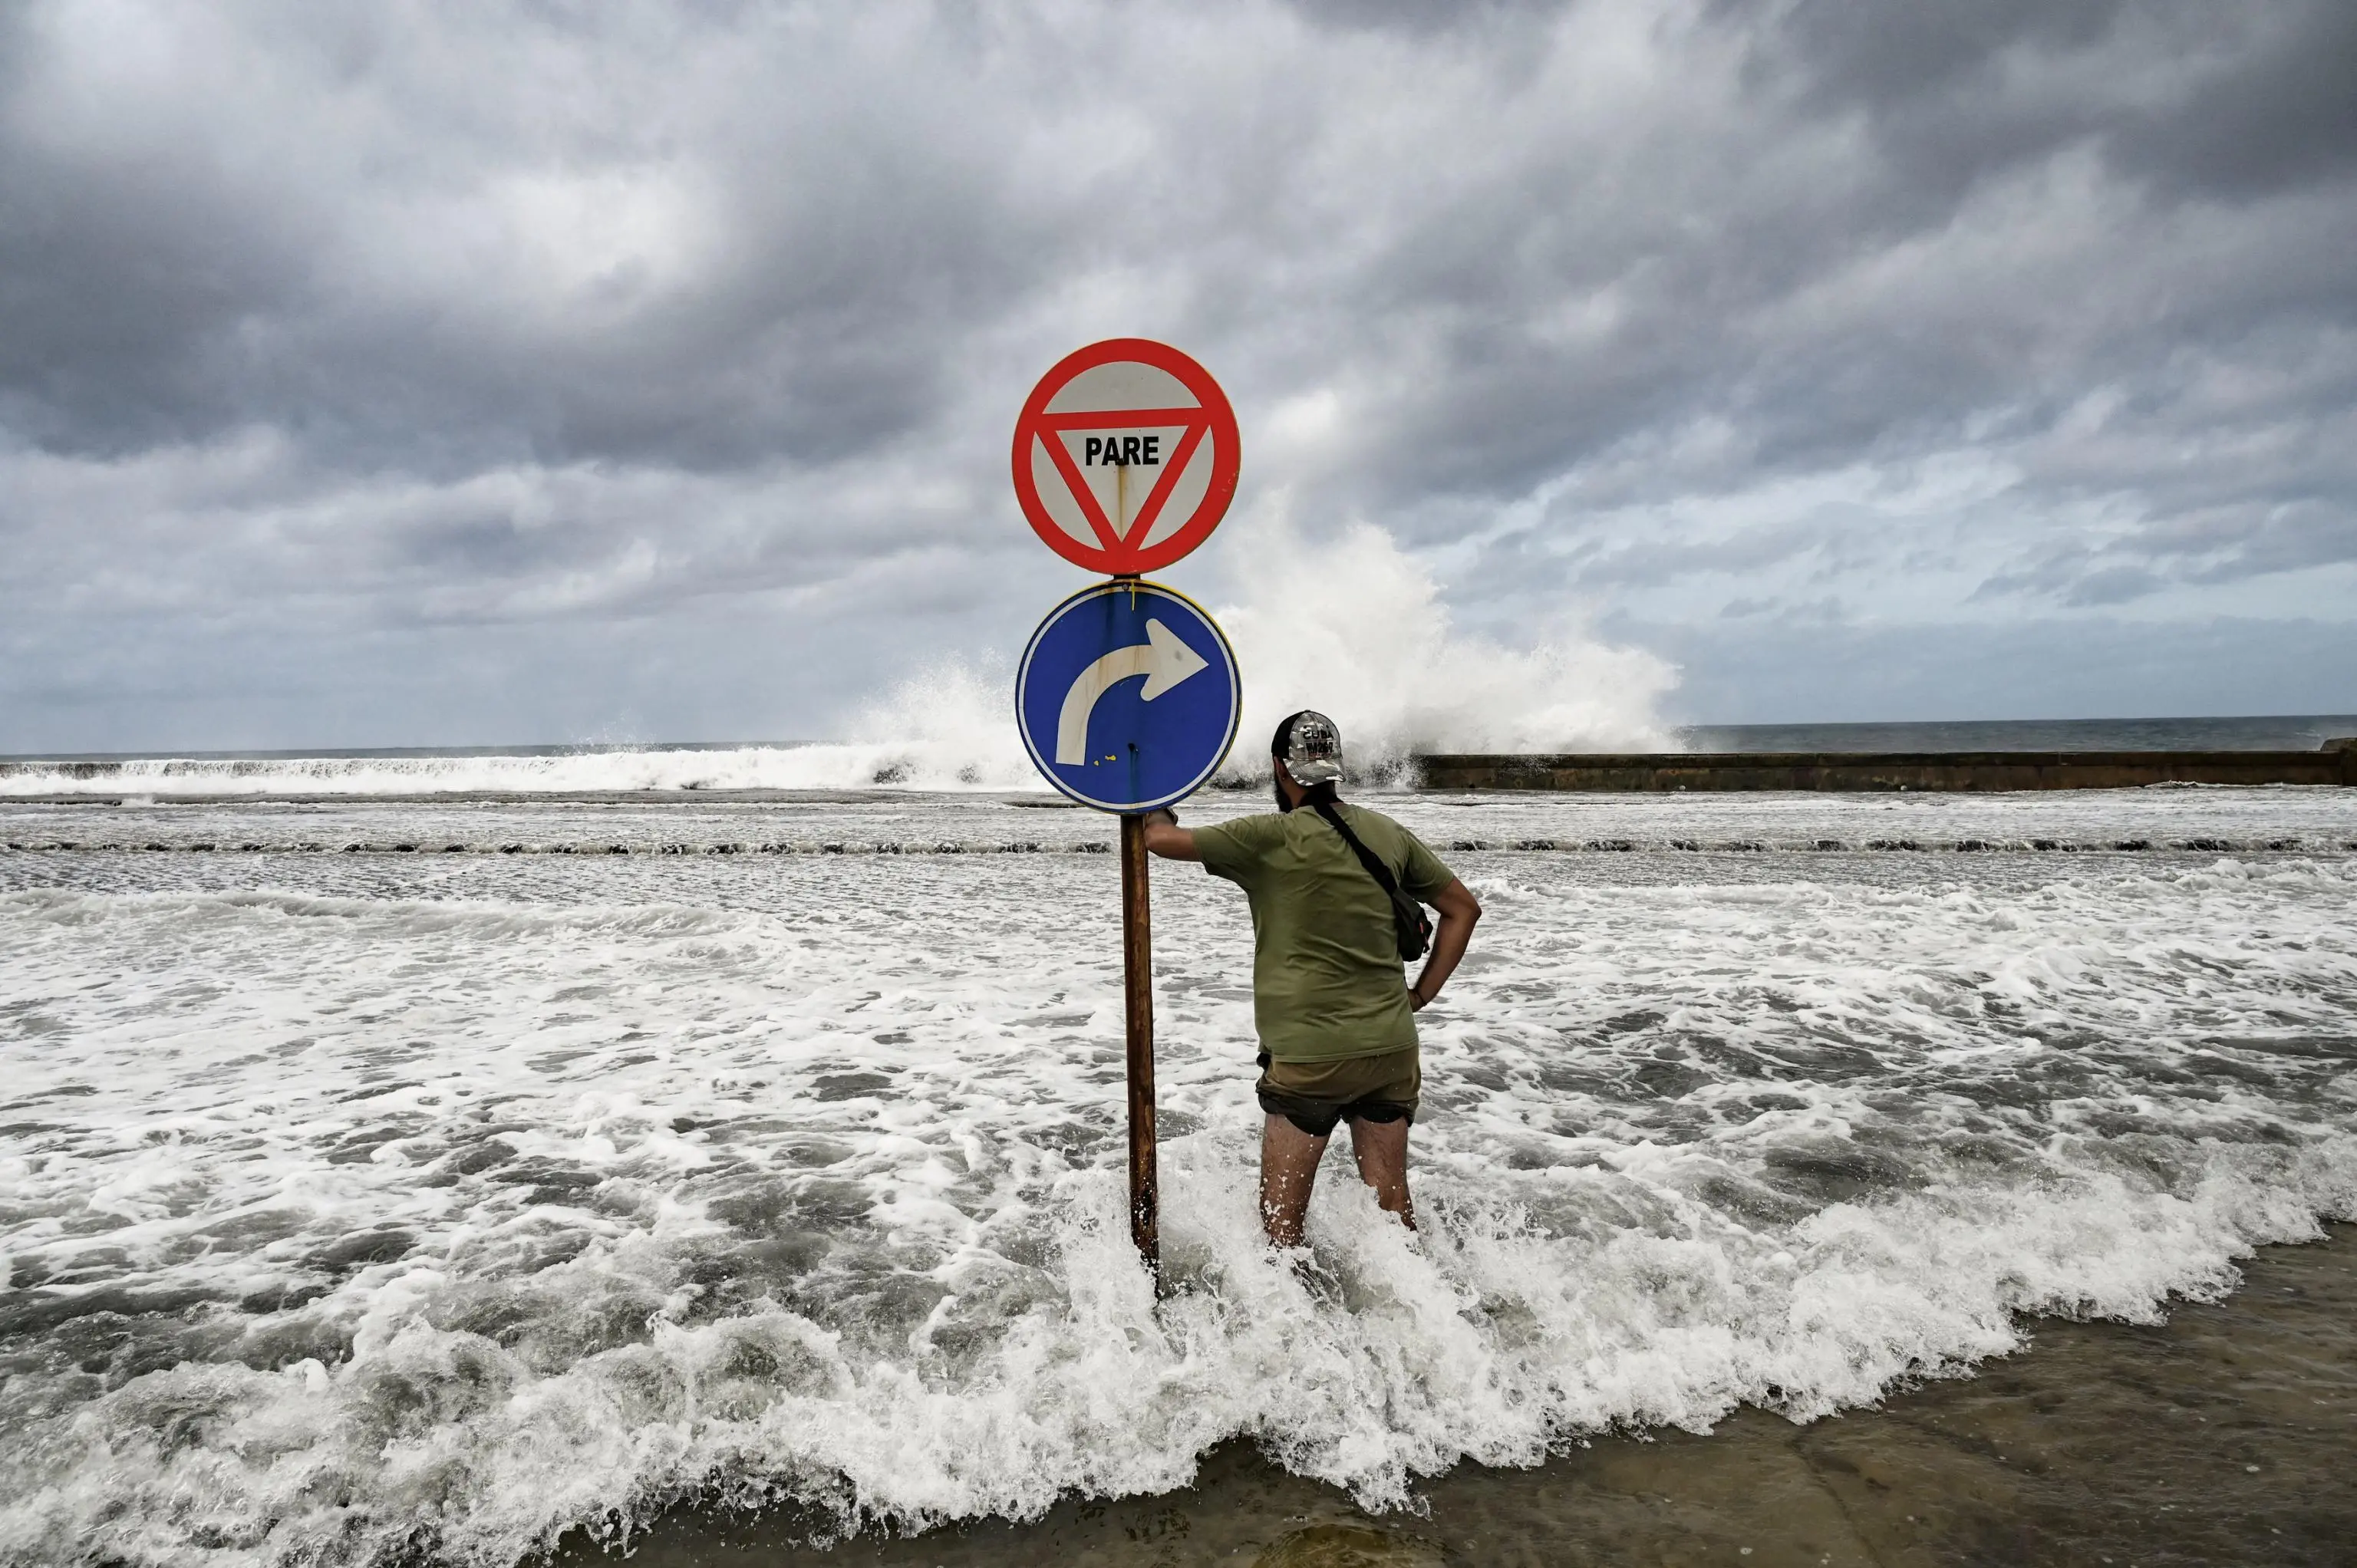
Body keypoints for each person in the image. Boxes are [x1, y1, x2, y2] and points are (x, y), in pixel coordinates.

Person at [1139, 710, 1481, 1247]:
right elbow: (1463, 910)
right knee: (1393, 1209)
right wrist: (1420, 994)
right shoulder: (1387, 833)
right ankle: (1419, 1318)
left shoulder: (1267, 837)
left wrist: (1150, 789)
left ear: (1280, 767)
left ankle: (1296, 1329)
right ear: (1334, 769)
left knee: (1281, 1226)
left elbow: (1158, 839)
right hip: (1390, 1050)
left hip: (1309, 1060)